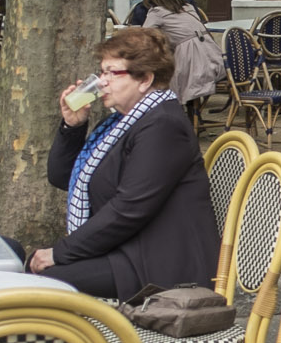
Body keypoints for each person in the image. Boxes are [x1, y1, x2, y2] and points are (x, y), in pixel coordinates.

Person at [33, 28, 220, 297]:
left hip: (161, 268)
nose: (101, 82)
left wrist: (60, 253)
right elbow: (62, 177)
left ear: (145, 79)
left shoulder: (164, 126)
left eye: (111, 72)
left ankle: (85, 339)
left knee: (44, 282)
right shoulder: (119, 124)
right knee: (28, 264)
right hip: (129, 250)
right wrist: (72, 126)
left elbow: (128, 209)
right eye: (101, 72)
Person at [138, 0, 224, 105]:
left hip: (191, 60)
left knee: (162, 75)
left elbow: (143, 35)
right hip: (212, 55)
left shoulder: (157, 12)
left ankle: (165, 107)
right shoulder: (187, 7)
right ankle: (190, 112)